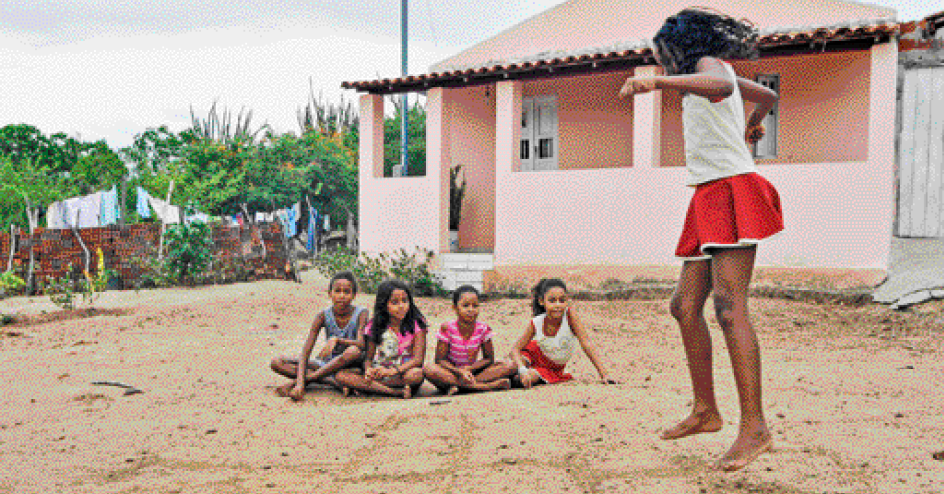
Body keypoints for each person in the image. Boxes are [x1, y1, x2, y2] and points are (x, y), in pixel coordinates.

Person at [618, 7, 783, 472]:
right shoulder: (712, 73)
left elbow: (723, 86)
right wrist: (754, 121)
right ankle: (706, 410)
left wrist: (658, 83)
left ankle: (755, 428)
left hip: (733, 187)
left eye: (664, 56)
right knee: (684, 306)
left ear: (681, 49)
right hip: (709, 193)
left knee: (730, 309)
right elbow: (763, 93)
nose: (663, 64)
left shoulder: (707, 67)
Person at [270, 271, 369, 401]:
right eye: (337, 291)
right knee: (277, 363)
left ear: (354, 295)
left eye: (346, 292)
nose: (341, 296)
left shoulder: (361, 313)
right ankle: (332, 382)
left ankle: (310, 379)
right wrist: (300, 384)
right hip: (328, 364)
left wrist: (338, 340)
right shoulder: (323, 316)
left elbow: (362, 344)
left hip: (352, 363)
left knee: (352, 351)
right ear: (330, 293)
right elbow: (306, 351)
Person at [507, 278, 616, 388]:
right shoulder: (536, 322)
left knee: (521, 380)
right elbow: (515, 349)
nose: (558, 305)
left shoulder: (569, 316)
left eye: (562, 300)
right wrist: (522, 369)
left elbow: (586, 343)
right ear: (541, 301)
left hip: (552, 368)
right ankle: (493, 379)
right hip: (532, 354)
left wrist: (604, 374)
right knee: (510, 368)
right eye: (552, 301)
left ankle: (498, 382)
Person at [334, 280, 428, 398]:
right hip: (380, 371)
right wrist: (369, 370)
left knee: (417, 374)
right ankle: (394, 392)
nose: (401, 306)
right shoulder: (375, 326)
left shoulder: (417, 324)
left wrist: (393, 371)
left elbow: (418, 360)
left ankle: (368, 387)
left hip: (402, 372)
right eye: (394, 302)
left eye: (405, 301)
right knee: (341, 375)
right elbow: (369, 358)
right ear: (384, 305)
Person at [423, 285, 512, 395]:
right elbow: (440, 360)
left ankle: (459, 387)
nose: (471, 310)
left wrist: (469, 369)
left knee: (509, 365)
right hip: (451, 372)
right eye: (465, 306)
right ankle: (485, 387)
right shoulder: (447, 328)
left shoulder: (483, 329)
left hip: (473, 373)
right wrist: (459, 371)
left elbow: (489, 359)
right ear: (455, 308)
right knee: (429, 369)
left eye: (475, 306)